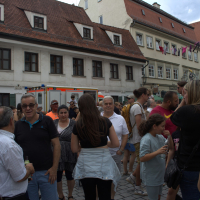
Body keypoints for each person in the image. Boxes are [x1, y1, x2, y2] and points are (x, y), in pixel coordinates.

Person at [71, 93, 121, 200]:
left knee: (89, 196)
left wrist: (83, 146)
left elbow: (74, 148)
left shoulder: (78, 124)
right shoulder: (105, 121)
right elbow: (116, 143)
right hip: (104, 161)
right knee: (105, 195)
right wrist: (104, 144)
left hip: (86, 163)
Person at [14, 94, 61, 200]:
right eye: (24, 106)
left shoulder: (47, 121)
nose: (28, 108)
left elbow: (57, 145)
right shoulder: (18, 125)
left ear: (36, 106)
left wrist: (54, 168)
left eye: (31, 105)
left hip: (47, 172)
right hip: (27, 174)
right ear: (21, 108)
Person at [170, 80, 200, 199]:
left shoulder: (187, 111)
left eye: (185, 93)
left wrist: (183, 102)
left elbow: (173, 118)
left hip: (190, 165)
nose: (183, 96)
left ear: (192, 93)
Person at [0, 106, 35, 200]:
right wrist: (29, 169)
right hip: (13, 196)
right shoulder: (9, 145)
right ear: (11, 121)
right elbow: (19, 177)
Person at [139, 114, 173, 200]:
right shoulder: (146, 139)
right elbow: (142, 157)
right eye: (162, 126)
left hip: (159, 173)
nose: (164, 128)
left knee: (158, 196)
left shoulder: (160, 137)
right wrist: (157, 152)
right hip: (151, 175)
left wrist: (169, 137)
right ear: (154, 126)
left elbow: (171, 147)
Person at [102, 96, 129, 199]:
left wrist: (121, 149)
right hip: (100, 154)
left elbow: (125, 134)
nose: (108, 105)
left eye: (110, 103)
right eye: (106, 104)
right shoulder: (97, 117)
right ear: (102, 105)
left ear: (113, 105)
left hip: (115, 154)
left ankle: (112, 197)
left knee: (114, 178)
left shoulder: (120, 118)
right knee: (100, 178)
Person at [126, 87, 149, 196]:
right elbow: (140, 126)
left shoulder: (137, 106)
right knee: (141, 162)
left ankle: (132, 177)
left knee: (141, 162)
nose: (148, 97)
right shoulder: (137, 107)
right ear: (143, 95)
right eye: (147, 95)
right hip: (139, 139)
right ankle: (137, 187)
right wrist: (145, 137)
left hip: (138, 138)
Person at [54, 105, 77, 200]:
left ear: (68, 113)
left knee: (70, 174)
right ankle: (60, 195)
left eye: (65, 112)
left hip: (70, 152)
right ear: (58, 114)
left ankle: (70, 195)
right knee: (58, 175)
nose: (63, 115)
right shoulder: (53, 123)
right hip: (56, 152)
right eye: (61, 113)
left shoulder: (73, 124)